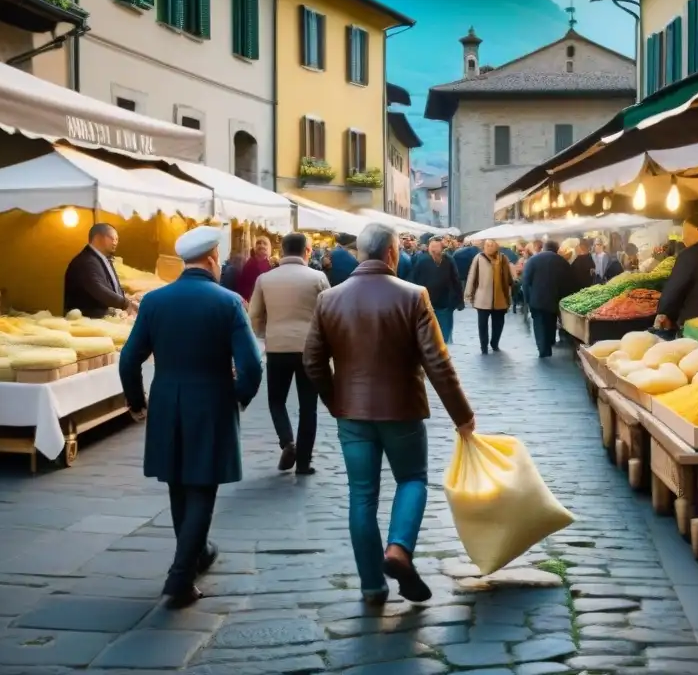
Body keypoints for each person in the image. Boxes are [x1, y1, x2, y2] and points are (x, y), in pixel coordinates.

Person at [303, 223, 475, 605]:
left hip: (352, 414)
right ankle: (398, 549)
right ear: (393, 254)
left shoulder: (329, 299)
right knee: (412, 479)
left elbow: (312, 362)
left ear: (361, 253)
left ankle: (371, 585)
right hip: (402, 410)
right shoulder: (414, 295)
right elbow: (437, 363)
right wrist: (462, 415)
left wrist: (336, 402)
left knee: (361, 496)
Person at [119, 226, 262, 609]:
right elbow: (251, 365)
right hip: (212, 400)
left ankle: (196, 555)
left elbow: (129, 358)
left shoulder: (154, 300)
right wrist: (238, 396)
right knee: (202, 488)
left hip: (167, 401)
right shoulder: (228, 302)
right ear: (214, 258)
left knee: (179, 484)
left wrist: (137, 402)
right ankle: (179, 579)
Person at [249, 232, 329, 476]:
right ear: (307, 251)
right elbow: (329, 313)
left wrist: (266, 332)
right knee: (309, 406)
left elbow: (254, 315)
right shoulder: (318, 277)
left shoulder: (265, 279)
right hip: (310, 349)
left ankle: (287, 441)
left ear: (282, 251)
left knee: (276, 400)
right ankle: (304, 463)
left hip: (278, 348)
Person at [64, 223, 138, 318]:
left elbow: (111, 287)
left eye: (117, 240)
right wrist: (125, 303)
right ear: (98, 238)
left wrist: (126, 298)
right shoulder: (86, 261)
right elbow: (98, 289)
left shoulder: (102, 259)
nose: (115, 242)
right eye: (112, 238)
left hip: (101, 319)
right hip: (85, 321)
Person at [522, 240, 577, 358]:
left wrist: (527, 299)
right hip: (555, 299)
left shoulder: (532, 260)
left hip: (536, 299)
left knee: (539, 324)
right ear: (557, 249)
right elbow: (570, 284)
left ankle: (543, 349)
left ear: (544, 248)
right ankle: (550, 342)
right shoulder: (562, 262)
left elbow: (525, 282)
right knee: (551, 322)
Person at [409, 236, 463, 344]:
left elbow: (456, 280)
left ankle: (443, 348)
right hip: (427, 303)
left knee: (444, 332)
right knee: (429, 332)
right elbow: (413, 280)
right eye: (432, 246)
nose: (433, 249)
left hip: (445, 302)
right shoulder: (422, 260)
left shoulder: (448, 260)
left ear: (441, 248)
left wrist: (459, 300)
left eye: (436, 246)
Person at [465, 239, 512, 354]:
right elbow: (472, 275)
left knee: (499, 323)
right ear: (484, 247)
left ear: (497, 246)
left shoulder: (503, 258)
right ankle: (484, 346)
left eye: (492, 245)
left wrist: (510, 291)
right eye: (487, 245)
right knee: (482, 324)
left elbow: (508, 277)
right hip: (482, 297)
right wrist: (468, 294)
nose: (490, 247)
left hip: (500, 297)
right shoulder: (479, 258)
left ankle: (495, 343)